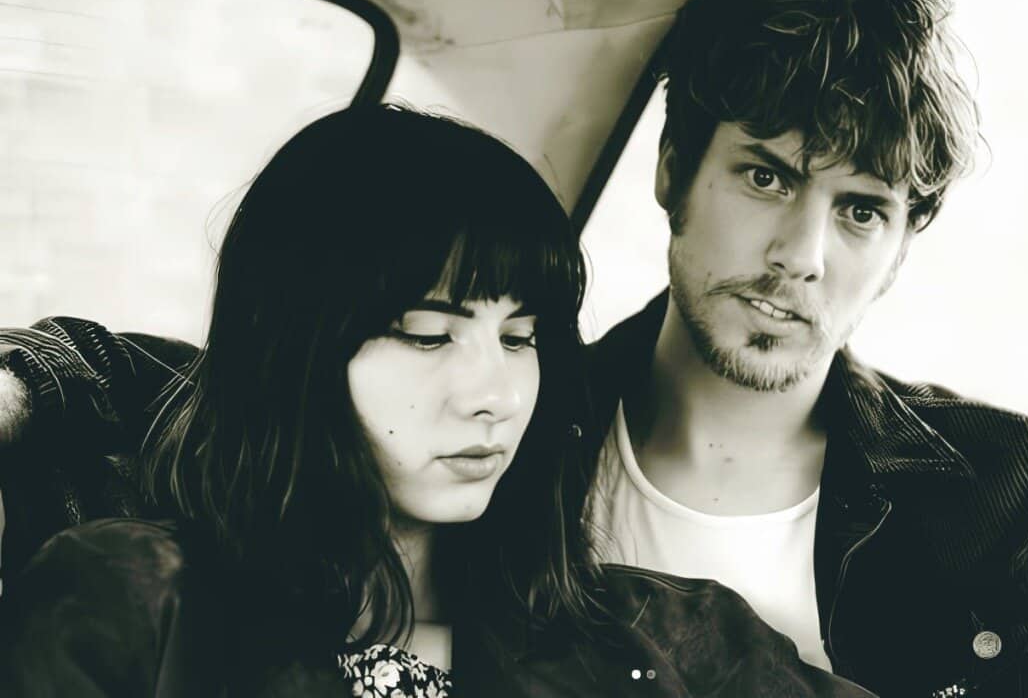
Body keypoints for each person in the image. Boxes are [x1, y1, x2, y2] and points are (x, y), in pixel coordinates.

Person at [0, 0, 1028, 698]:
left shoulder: (1014, 498)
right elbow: (222, 370)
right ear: (673, 173)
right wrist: (23, 376)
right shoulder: (523, 435)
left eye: (860, 209)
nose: (800, 257)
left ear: (904, 238)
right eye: (764, 175)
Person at [0, 105, 873, 697]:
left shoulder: (663, 639)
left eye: (521, 337)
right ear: (295, 349)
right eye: (426, 334)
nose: (493, 394)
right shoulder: (135, 600)